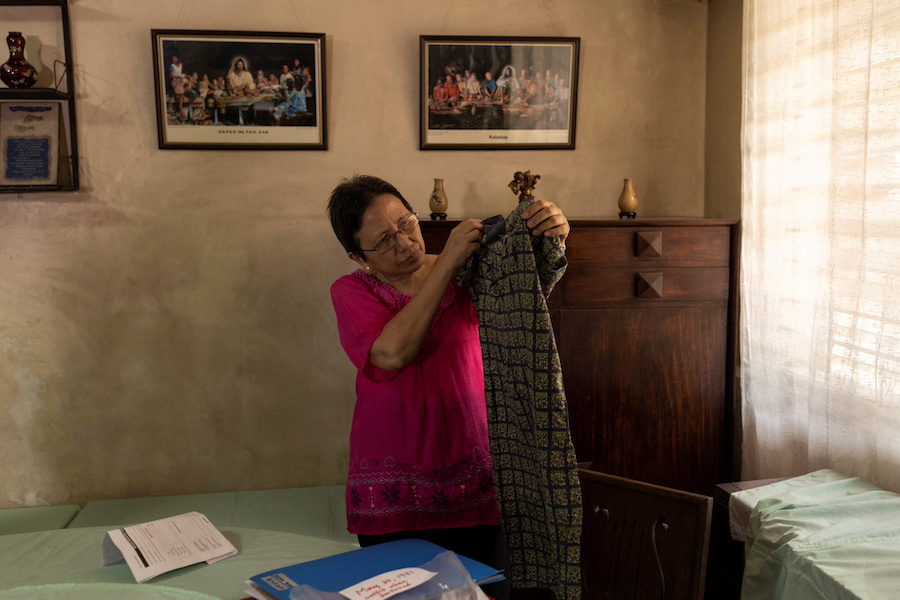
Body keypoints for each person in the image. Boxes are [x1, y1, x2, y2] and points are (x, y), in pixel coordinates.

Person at [327, 175, 570, 600]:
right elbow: (391, 353)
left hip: (476, 482)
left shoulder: (468, 269)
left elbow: (524, 297)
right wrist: (445, 265)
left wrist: (553, 236)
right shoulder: (351, 291)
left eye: (406, 223)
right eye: (383, 241)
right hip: (393, 496)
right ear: (357, 256)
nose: (405, 243)